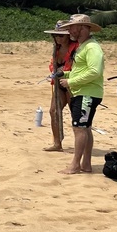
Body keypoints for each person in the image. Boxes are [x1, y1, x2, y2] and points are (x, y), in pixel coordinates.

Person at [58, 14, 105, 174]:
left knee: (79, 128)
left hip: (87, 93)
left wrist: (71, 82)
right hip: (84, 92)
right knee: (85, 128)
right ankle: (86, 164)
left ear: (83, 28)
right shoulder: (83, 46)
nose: (70, 30)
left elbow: (94, 71)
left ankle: (75, 165)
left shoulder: (92, 47)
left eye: (72, 27)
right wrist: (64, 74)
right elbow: (81, 70)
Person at [42, 20, 79, 152]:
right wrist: (54, 71)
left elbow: (79, 67)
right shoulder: (56, 49)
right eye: (55, 35)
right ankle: (57, 143)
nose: (58, 38)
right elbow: (52, 64)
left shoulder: (77, 48)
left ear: (68, 36)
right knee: (53, 111)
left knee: (75, 114)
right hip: (58, 84)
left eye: (61, 35)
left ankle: (80, 144)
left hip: (71, 85)